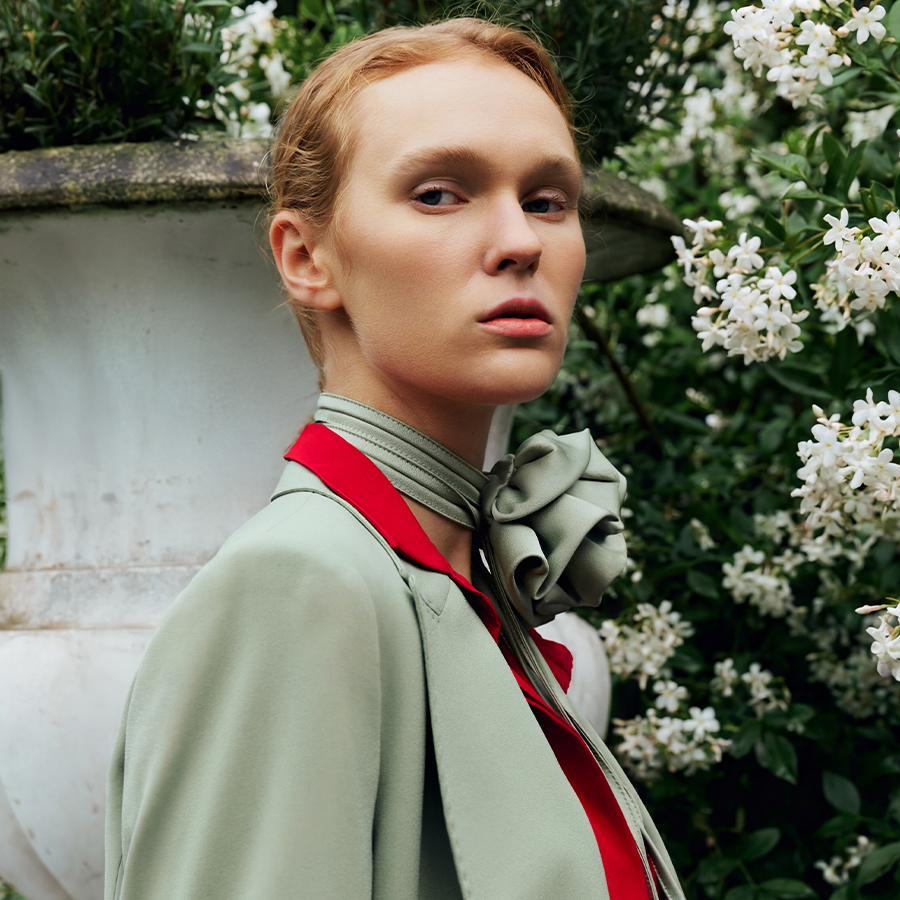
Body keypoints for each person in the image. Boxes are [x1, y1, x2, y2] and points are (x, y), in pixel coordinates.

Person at [104, 17, 684, 900]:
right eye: (440, 194)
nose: (522, 241)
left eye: (547, 200)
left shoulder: (461, 581)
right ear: (308, 258)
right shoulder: (298, 584)